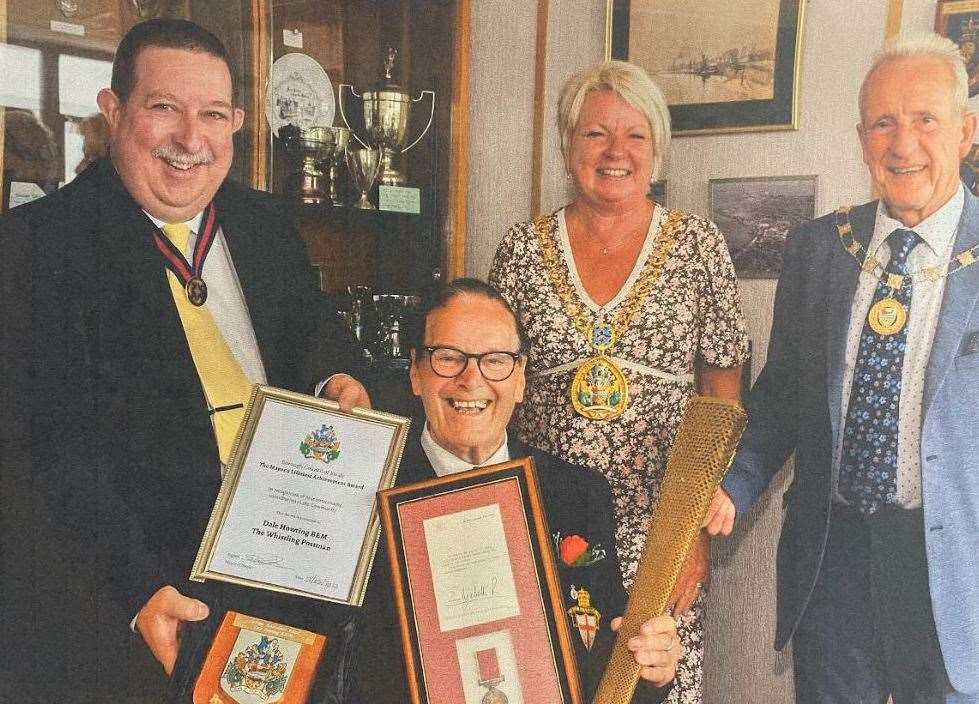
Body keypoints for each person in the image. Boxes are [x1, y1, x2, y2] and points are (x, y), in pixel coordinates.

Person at [0, 18, 368, 702]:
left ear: (235, 122)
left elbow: (312, 326)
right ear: (113, 113)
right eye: (163, 107)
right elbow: (46, 456)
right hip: (138, 604)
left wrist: (333, 376)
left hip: (285, 578)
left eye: (212, 115)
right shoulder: (35, 249)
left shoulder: (262, 223)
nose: (189, 140)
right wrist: (136, 590)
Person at [704, 32, 979, 703]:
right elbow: (782, 399)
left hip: (952, 571)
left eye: (924, 120)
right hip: (833, 563)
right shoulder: (821, 249)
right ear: (860, 139)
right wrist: (734, 485)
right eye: (882, 122)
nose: (901, 143)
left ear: (966, 131)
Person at [489, 60, 748, 703]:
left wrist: (692, 539)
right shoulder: (521, 249)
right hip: (547, 526)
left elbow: (722, 401)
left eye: (636, 136)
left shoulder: (698, 246)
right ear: (566, 146)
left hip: (657, 537)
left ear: (656, 150)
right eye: (596, 134)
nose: (616, 153)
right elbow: (491, 391)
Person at [356, 278, 681, 703]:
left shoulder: (577, 493)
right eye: (449, 358)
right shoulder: (367, 492)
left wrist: (654, 669)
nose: (471, 380)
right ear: (416, 372)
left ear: (521, 378)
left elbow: (611, 656)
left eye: (495, 361)